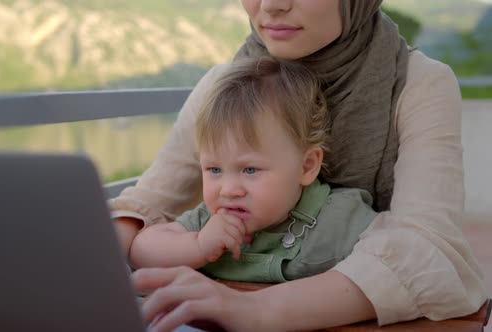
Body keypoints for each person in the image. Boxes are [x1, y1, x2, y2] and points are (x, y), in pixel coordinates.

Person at [110, 0, 488, 331]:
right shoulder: (226, 87)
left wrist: (253, 310)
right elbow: (147, 206)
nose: (271, 5)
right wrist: (91, 278)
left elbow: (427, 250)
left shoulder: (420, 84)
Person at [129, 56, 377, 286]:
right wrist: (198, 246)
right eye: (214, 169)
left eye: (249, 169)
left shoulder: (338, 218)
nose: (228, 190)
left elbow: (395, 256)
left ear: (306, 166)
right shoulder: (208, 221)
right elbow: (141, 250)